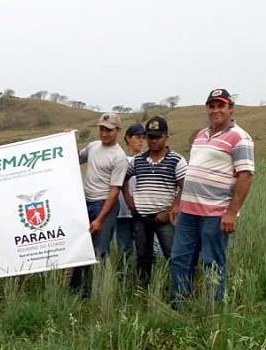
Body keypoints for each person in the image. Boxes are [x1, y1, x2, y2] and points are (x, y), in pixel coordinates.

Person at [171, 89, 254, 305]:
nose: (215, 110)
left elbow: (245, 176)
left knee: (212, 262)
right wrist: (179, 203)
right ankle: (181, 304)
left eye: (221, 106)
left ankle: (210, 309)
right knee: (180, 259)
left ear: (230, 108)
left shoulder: (240, 137)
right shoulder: (201, 135)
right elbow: (192, 173)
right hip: (188, 213)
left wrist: (232, 213)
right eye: (212, 106)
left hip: (215, 214)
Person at [122, 116, 187, 288]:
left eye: (158, 136)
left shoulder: (177, 160)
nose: (153, 140)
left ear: (166, 136)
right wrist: (129, 199)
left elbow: (185, 188)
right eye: (150, 136)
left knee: (173, 256)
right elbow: (123, 180)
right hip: (141, 217)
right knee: (143, 257)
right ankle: (143, 293)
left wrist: (171, 211)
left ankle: (180, 292)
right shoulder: (138, 160)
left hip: (164, 218)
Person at [69, 113, 128, 294]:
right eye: (101, 129)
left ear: (117, 131)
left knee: (99, 252)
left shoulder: (119, 157)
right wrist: (68, 141)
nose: (104, 134)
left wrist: (100, 219)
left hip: (104, 206)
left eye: (108, 130)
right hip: (85, 204)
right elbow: (76, 158)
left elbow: (114, 191)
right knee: (80, 249)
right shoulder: (93, 146)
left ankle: (97, 293)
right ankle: (77, 293)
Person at [116, 124, 146, 263]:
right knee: (124, 251)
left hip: (142, 212)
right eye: (138, 137)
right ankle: (124, 281)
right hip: (122, 212)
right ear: (128, 138)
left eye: (143, 138)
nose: (141, 141)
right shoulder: (119, 158)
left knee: (144, 250)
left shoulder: (147, 160)